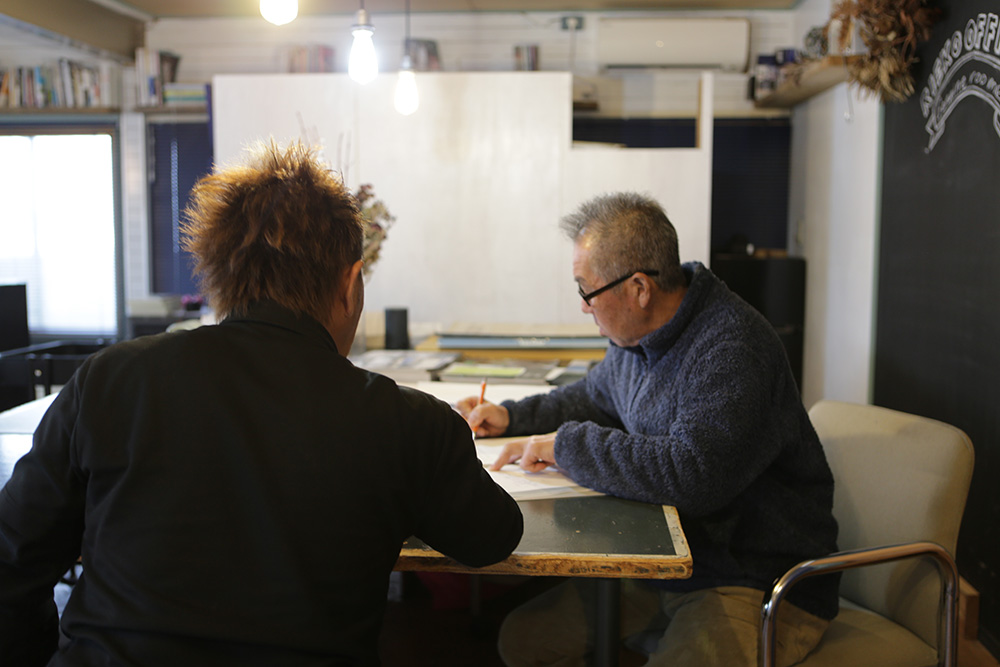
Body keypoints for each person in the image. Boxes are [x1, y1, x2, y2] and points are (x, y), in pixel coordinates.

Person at [0, 141, 523, 667]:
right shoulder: (408, 424)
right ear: (350, 284)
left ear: (220, 280)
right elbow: (492, 536)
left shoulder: (110, 380)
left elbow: (13, 562)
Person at [460, 192, 838, 667]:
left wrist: (567, 446)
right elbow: (594, 396)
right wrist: (512, 416)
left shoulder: (732, 347)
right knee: (525, 641)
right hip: (670, 564)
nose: (583, 306)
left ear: (639, 287)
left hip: (753, 578)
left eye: (586, 290)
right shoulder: (634, 337)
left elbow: (694, 475)